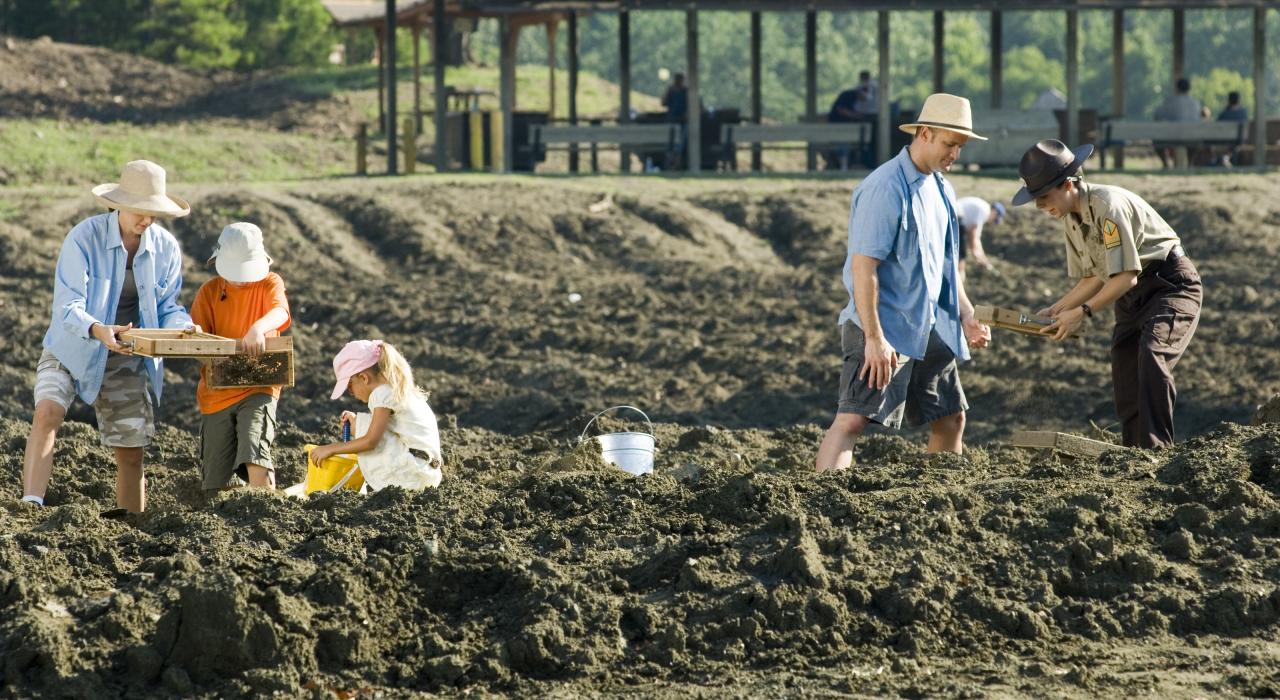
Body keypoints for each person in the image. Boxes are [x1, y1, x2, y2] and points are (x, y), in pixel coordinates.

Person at [815, 93, 992, 472]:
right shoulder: (885, 187)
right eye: (949, 144)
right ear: (924, 133)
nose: (954, 155)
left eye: (960, 147)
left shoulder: (943, 189)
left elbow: (945, 267)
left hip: (930, 326)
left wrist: (966, 314)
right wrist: (875, 340)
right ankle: (821, 502)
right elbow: (865, 268)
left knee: (950, 418)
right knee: (852, 420)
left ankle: (940, 493)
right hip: (885, 325)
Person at [20, 160, 195, 512]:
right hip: (75, 344)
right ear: (119, 205)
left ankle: (131, 524)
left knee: (132, 447)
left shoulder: (166, 248)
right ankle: (30, 504)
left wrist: (185, 326)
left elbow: (167, 305)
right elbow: (68, 305)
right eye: (140, 211)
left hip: (127, 350)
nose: (147, 220)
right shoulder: (84, 238)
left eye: (154, 214)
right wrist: (99, 329)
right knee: (47, 412)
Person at [1012, 139, 1201, 448]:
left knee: (1153, 355)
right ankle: (1134, 453)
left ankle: (1158, 450)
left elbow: (1125, 276)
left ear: (1068, 185)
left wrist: (1083, 312)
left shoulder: (1107, 206)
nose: (1039, 206)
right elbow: (1092, 278)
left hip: (1168, 285)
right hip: (1132, 295)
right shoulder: (1070, 218)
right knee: (1125, 365)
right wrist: (1056, 309)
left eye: (1044, 196)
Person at [190, 223, 291, 492]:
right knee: (214, 482)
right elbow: (198, 342)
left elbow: (281, 311)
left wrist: (258, 328)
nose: (240, 279)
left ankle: (267, 513)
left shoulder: (270, 283)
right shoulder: (210, 292)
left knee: (255, 452)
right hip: (217, 392)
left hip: (260, 384)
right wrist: (198, 340)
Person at [309, 340, 443, 491]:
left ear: (364, 378)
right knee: (365, 424)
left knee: (368, 432)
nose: (351, 393)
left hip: (412, 477)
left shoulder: (381, 394)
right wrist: (358, 423)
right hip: (426, 473)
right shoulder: (397, 389)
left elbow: (371, 441)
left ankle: (384, 487)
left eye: (349, 387)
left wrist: (331, 449)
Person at [1154, 77, 1204, 168]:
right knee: (1195, 142)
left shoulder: (1170, 101)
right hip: (1192, 137)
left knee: (1157, 142)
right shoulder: (1196, 103)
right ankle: (1190, 163)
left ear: (1177, 88)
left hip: (1172, 137)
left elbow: (1158, 115)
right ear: (1189, 89)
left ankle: (1165, 164)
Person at [955, 197, 1005, 277]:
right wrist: (977, 256)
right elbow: (972, 235)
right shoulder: (985, 211)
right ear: (995, 212)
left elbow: (976, 240)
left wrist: (983, 258)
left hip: (958, 217)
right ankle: (959, 275)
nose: (992, 222)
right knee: (961, 252)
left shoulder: (983, 211)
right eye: (995, 219)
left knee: (961, 250)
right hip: (956, 216)